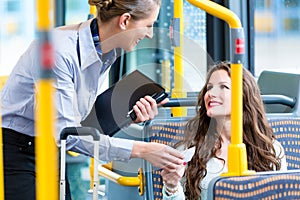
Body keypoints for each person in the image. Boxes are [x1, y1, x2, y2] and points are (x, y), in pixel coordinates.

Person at [1, 0, 185, 199]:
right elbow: (67, 133)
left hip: (50, 150)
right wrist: (142, 150)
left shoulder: (108, 50)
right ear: (125, 21)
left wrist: (128, 115)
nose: (150, 34)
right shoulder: (58, 51)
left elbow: (79, 121)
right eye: (148, 25)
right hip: (16, 150)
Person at [161, 62, 287, 200]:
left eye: (223, 87)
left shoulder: (270, 150)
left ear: (243, 95)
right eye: (209, 88)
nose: (211, 94)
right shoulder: (189, 150)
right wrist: (171, 187)